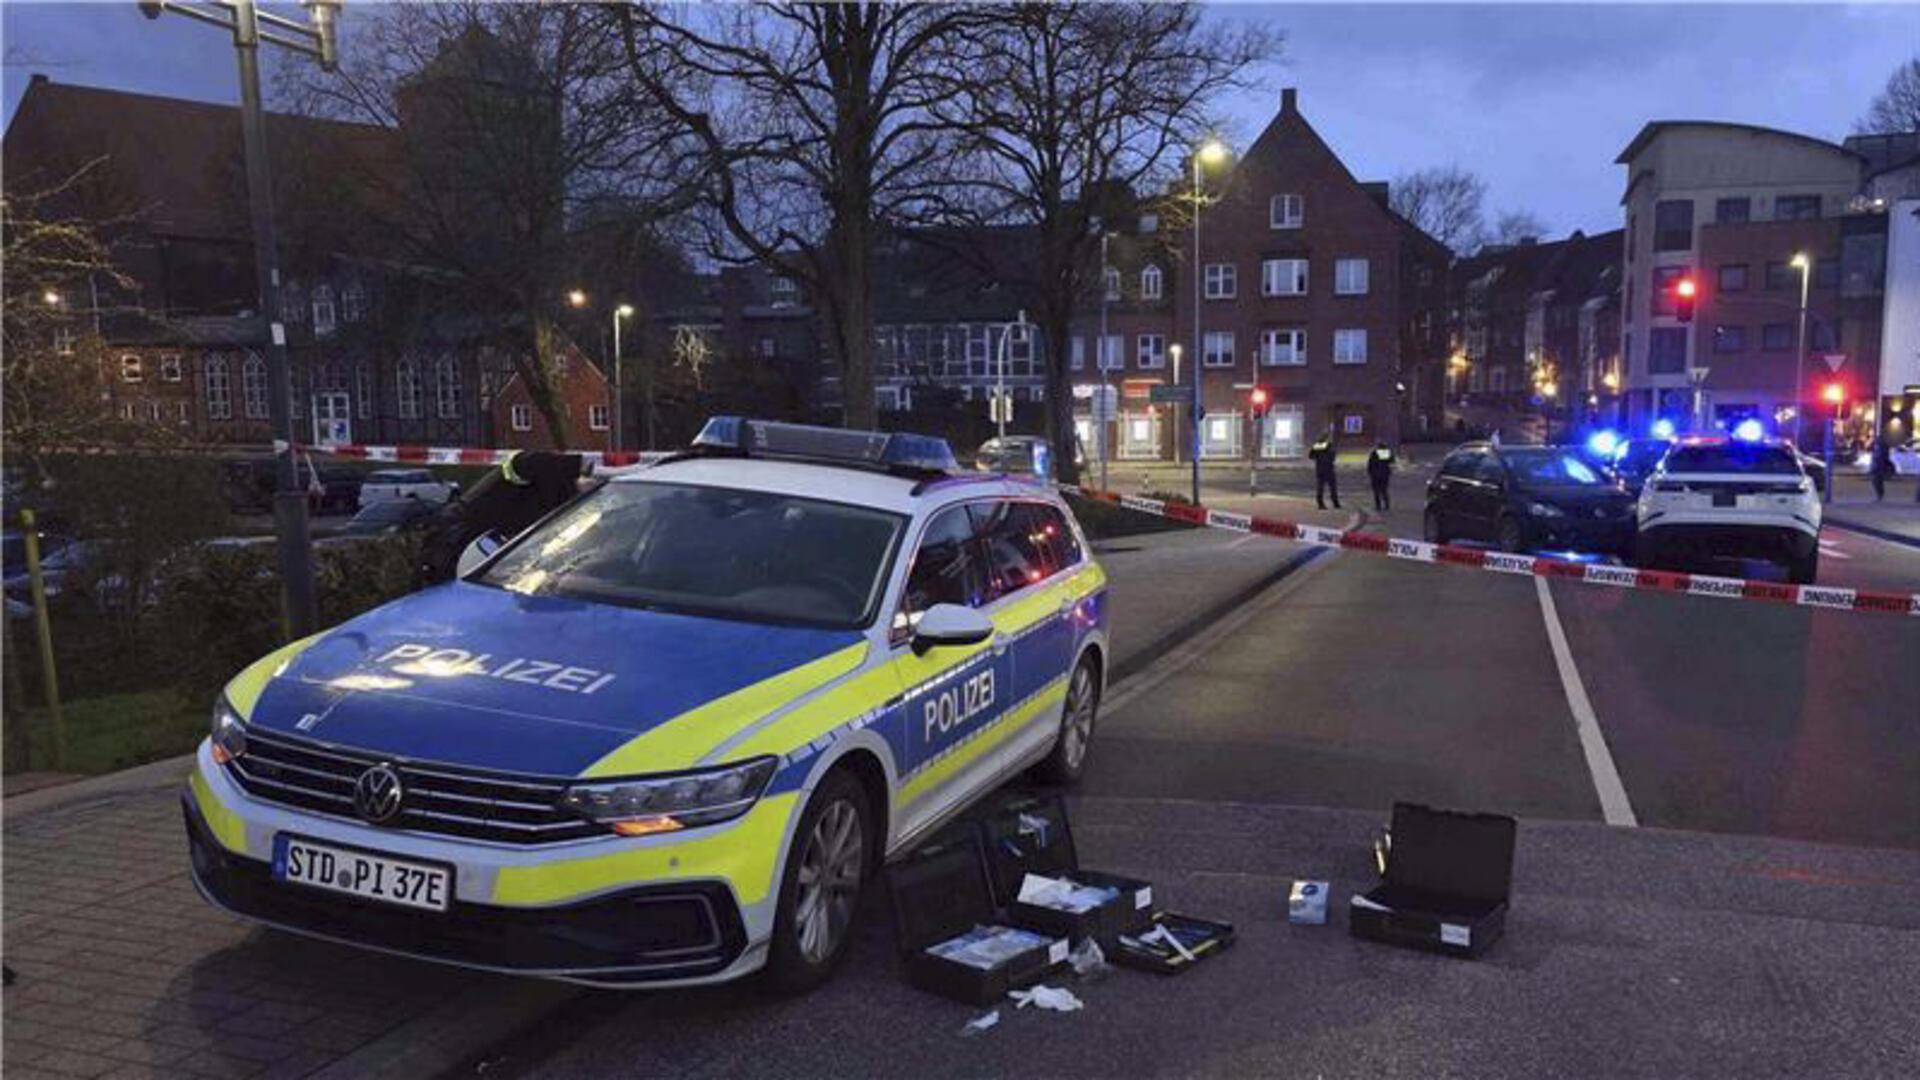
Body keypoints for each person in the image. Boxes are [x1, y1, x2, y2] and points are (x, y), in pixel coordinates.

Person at [1309, 427, 1340, 510]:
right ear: (1327, 438)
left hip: (1319, 469)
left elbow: (1311, 456)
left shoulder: (1317, 445)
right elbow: (1333, 455)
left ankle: (1320, 503)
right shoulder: (1329, 445)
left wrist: (1318, 458)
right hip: (1329, 469)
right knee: (1332, 486)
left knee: (1320, 487)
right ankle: (1335, 503)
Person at [1367, 440, 1396, 511]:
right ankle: (1386, 505)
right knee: (1384, 490)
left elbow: (1370, 464)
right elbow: (1392, 461)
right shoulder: (1387, 453)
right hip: (1385, 474)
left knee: (1376, 491)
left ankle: (1378, 505)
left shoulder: (1374, 453)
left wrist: (1370, 473)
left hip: (1375, 474)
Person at [1869, 437, 1894, 502]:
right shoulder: (1878, 450)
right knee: (1876, 481)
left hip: (1878, 467)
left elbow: (1883, 459)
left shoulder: (1882, 450)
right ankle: (1880, 495)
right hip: (1876, 467)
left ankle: (1880, 495)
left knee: (1877, 481)